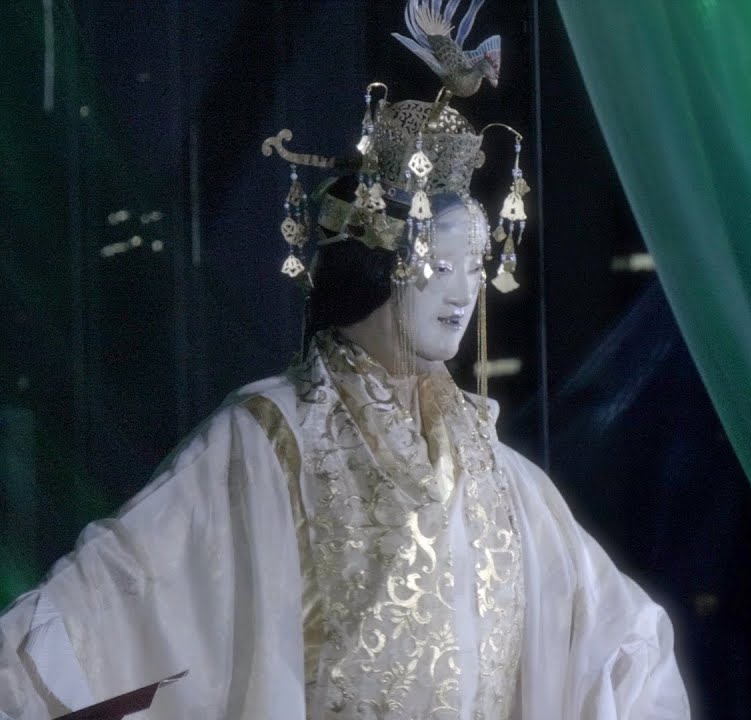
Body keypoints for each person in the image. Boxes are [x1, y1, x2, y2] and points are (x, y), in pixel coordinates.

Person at [0, 2, 690, 718]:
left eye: (475, 267)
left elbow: (623, 643)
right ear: (380, 263)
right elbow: (114, 595)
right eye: (440, 265)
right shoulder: (269, 439)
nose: (464, 292)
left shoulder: (499, 476)